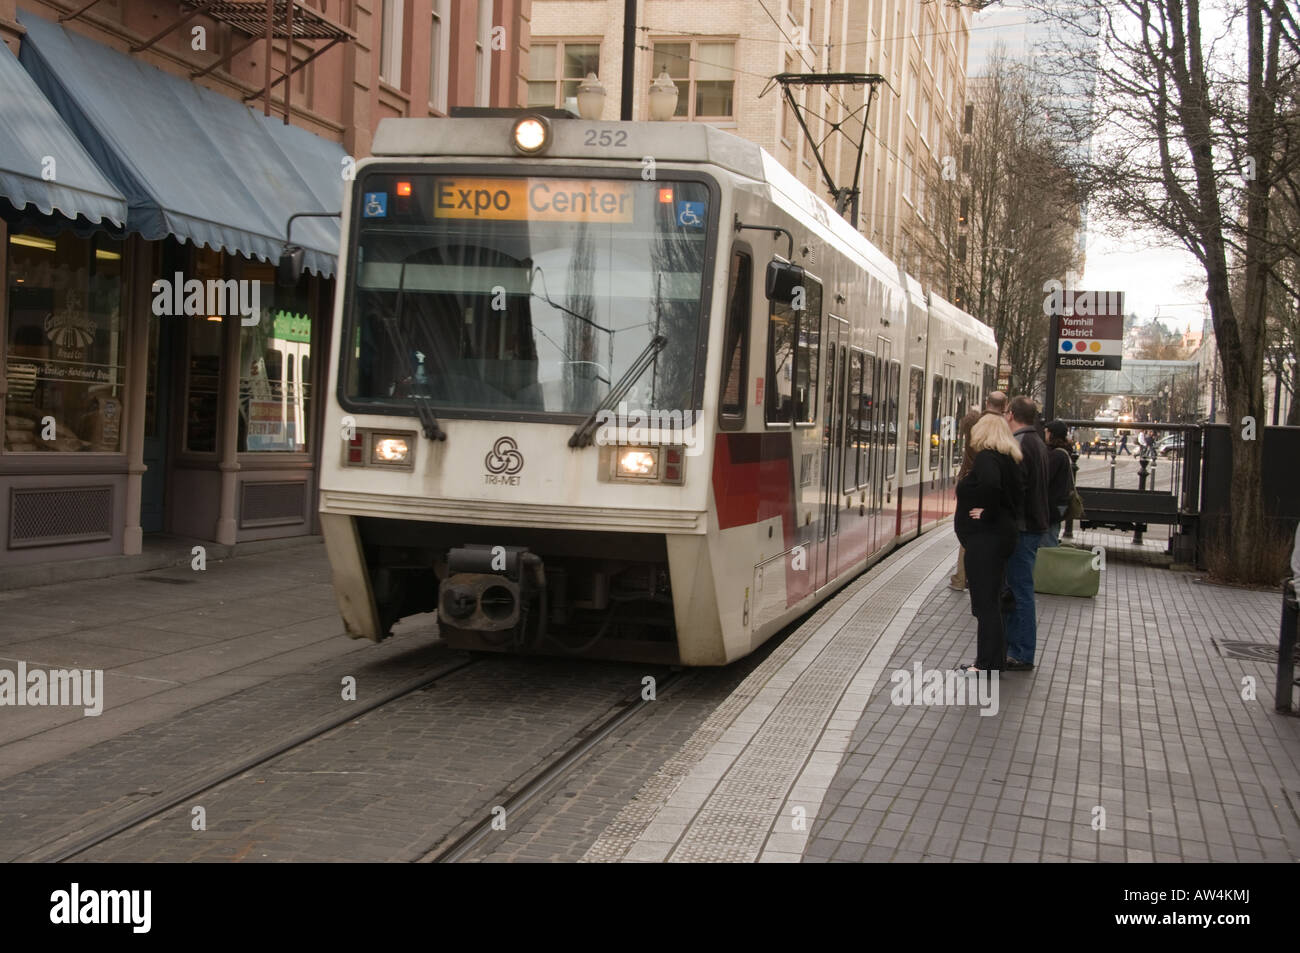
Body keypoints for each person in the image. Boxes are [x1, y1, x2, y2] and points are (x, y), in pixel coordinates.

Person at [954, 413, 1024, 673]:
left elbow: (992, 487)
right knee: (992, 602)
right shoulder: (1009, 459)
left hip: (986, 541)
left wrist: (986, 513)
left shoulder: (987, 458)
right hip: (1000, 538)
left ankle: (984, 664)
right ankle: (994, 660)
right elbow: (1014, 498)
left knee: (985, 604)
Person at [1002, 395, 1050, 670]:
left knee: (1019, 590)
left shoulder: (1020, 444)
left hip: (1022, 528)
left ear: (1010, 415)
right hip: (1033, 525)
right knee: (1021, 588)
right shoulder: (1038, 443)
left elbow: (1015, 490)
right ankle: (1018, 648)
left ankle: (1020, 652)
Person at [949, 391, 1009, 590]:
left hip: (971, 483)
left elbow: (968, 423)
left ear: (986, 403)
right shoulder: (1002, 429)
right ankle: (968, 577)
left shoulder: (976, 425)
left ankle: (961, 578)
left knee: (969, 534)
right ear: (1005, 406)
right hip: (987, 489)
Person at [1044, 420, 1075, 545]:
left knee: (1048, 540)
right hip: (1058, 504)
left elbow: (1046, 477)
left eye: (1046, 432)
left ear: (1052, 434)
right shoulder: (1063, 452)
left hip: (1053, 505)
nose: (1044, 435)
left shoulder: (1057, 455)